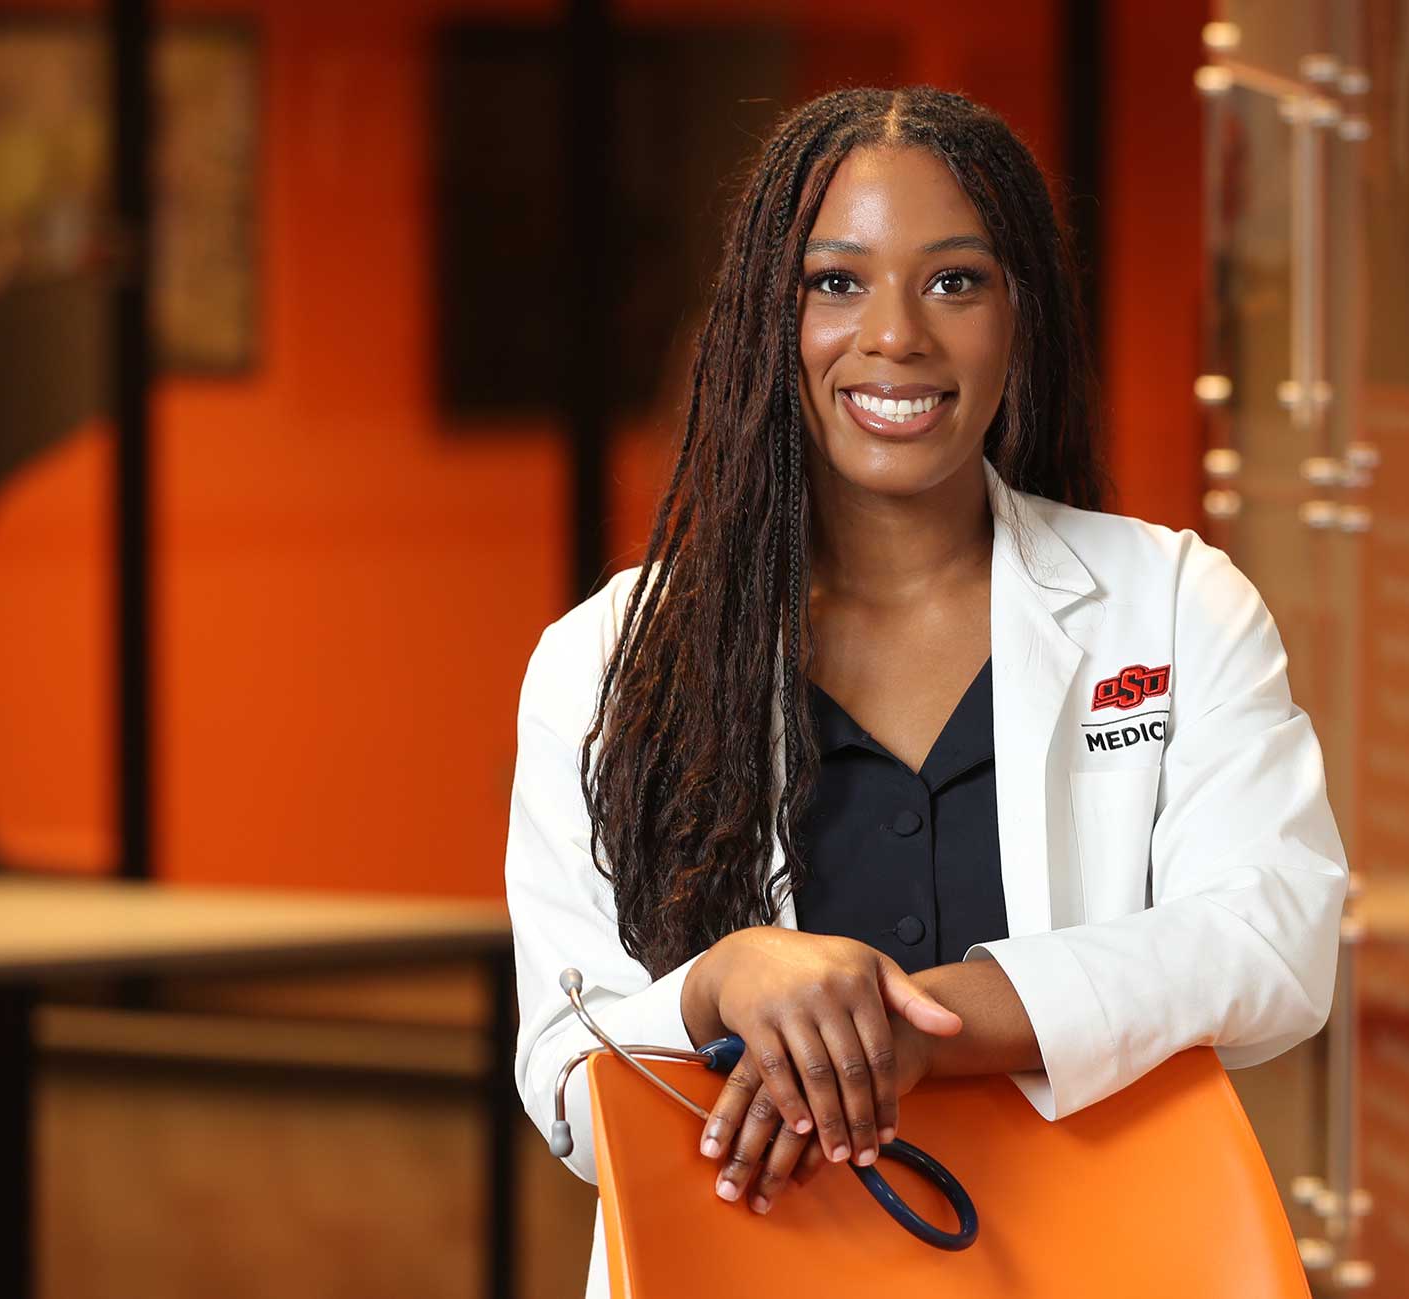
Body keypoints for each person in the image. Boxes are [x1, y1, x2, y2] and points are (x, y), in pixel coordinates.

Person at [504, 86, 1349, 1297]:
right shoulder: (606, 661)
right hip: (751, 1266)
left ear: (1022, 317)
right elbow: (566, 1078)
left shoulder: (1169, 601)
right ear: (763, 318)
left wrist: (922, 1022)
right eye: (834, 283)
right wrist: (723, 984)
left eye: (954, 281)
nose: (894, 334)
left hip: (1105, 1257)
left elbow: (1271, 939)